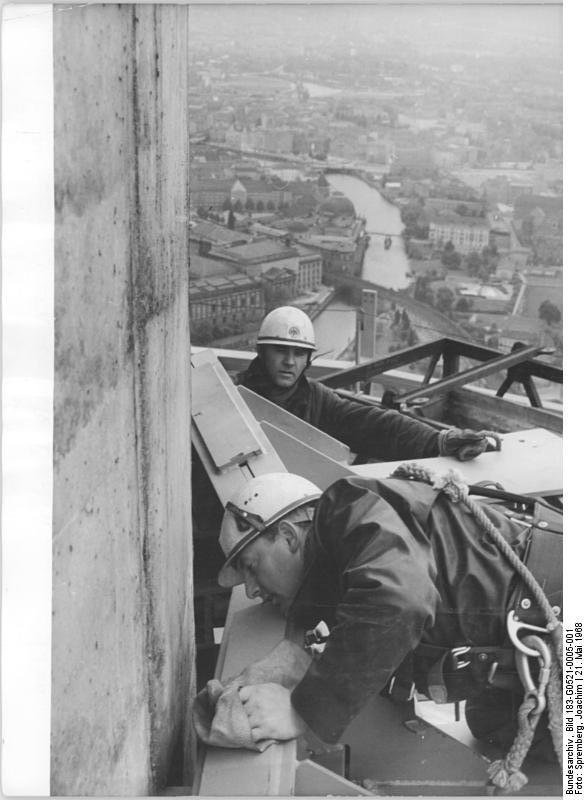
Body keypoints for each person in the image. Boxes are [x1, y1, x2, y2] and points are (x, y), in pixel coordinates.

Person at [215, 470, 562, 781]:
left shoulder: (349, 510)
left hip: (566, 626)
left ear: (289, 537)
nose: (251, 590)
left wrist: (303, 710)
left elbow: (401, 600)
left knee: (574, 773)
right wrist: (292, 648)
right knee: (491, 725)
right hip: (530, 642)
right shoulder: (343, 544)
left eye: (251, 565)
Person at [237, 306, 500, 463]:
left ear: (308, 359)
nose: (289, 362)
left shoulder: (316, 400)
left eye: (298, 353)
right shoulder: (234, 397)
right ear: (262, 352)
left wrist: (437, 440)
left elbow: (377, 424)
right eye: (280, 351)